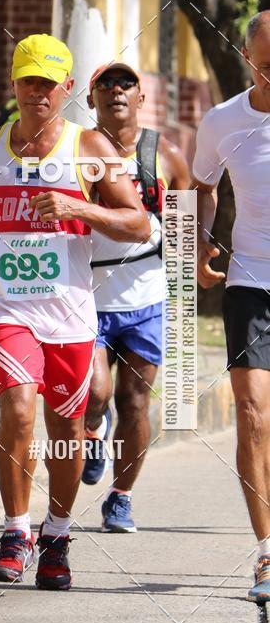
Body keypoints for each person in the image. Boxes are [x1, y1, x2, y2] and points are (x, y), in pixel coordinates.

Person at [0, 33, 149, 590]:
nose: (37, 92)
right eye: (27, 80)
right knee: (18, 410)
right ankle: (15, 531)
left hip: (71, 315)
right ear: (14, 84)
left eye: (48, 82)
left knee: (68, 429)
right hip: (7, 308)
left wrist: (77, 205)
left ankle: (56, 535)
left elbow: (139, 223)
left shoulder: (90, 149)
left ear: (65, 88)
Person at [82, 62, 190, 533]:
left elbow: (188, 215)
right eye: (104, 84)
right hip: (85, 293)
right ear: (91, 100)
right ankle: (91, 434)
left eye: (126, 84)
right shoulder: (73, 150)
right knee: (94, 392)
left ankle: (121, 498)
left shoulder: (164, 154)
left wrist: (191, 268)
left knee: (135, 402)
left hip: (146, 296)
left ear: (141, 98)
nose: (115, 91)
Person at [193, 10, 270, 603]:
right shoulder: (222, 121)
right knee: (252, 413)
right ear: (249, 59)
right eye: (269, 67)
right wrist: (201, 241)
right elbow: (204, 184)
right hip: (249, 280)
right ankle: (267, 553)